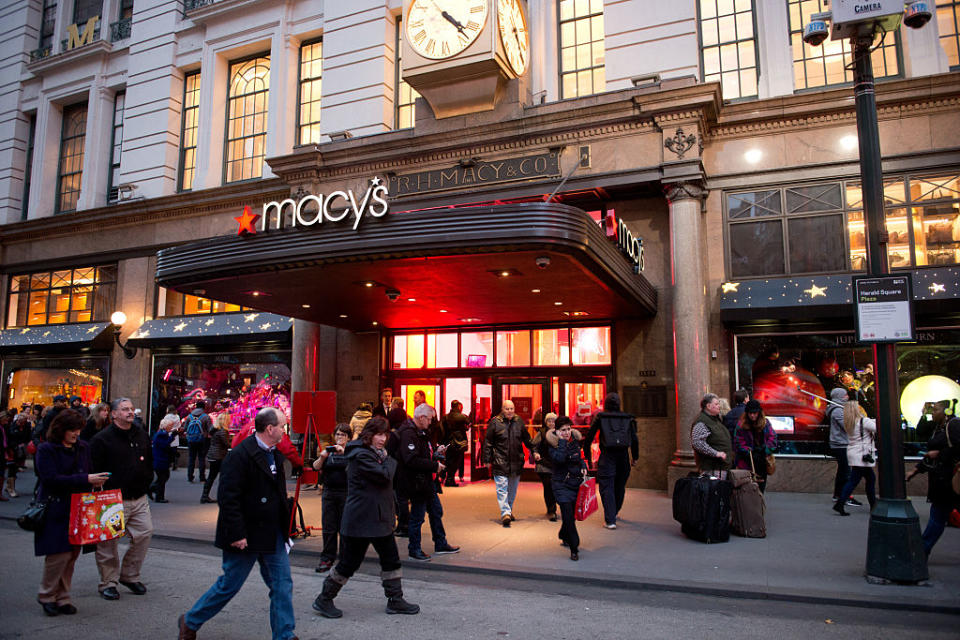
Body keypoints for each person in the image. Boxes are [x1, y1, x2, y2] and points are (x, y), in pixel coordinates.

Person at [178, 408, 297, 640]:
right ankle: (191, 620)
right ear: (270, 428)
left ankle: (284, 634)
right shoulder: (240, 455)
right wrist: (236, 533)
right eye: (283, 426)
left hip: (272, 532)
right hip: (245, 532)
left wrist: (286, 528)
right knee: (229, 585)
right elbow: (228, 498)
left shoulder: (275, 453)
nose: (285, 431)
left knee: (282, 585)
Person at [312, 416, 419, 619]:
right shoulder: (361, 455)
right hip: (361, 520)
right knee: (348, 563)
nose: (382, 439)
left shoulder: (374, 453)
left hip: (378, 519)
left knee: (391, 560)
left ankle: (395, 599)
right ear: (369, 435)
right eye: (379, 434)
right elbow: (384, 475)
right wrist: (388, 460)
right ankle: (324, 598)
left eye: (385, 434)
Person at [34, 409, 111, 616]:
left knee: (72, 555)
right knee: (58, 555)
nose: (76, 434)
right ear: (61, 430)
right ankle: (47, 594)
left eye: (78, 429)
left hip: (79, 507)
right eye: (72, 430)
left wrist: (95, 481)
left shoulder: (83, 447)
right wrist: (86, 479)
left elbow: (87, 471)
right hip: (55, 507)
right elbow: (50, 479)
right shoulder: (47, 449)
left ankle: (63, 596)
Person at [90, 397, 154, 600]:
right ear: (114, 414)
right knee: (109, 543)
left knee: (144, 533)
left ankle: (129, 575)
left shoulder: (141, 434)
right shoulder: (102, 439)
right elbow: (94, 468)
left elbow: (148, 460)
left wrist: (147, 480)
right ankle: (108, 582)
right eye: (125, 409)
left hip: (139, 496)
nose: (130, 412)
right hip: (113, 497)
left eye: (131, 409)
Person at [397, 403, 459, 561]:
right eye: (430, 419)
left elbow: (423, 454)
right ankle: (414, 548)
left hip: (426, 482)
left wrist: (436, 453)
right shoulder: (409, 434)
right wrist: (434, 465)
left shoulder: (421, 432)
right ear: (422, 417)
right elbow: (411, 459)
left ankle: (440, 543)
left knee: (436, 511)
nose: (431, 422)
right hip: (417, 483)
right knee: (418, 516)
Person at [907, 403, 960, 556]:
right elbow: (920, 431)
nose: (933, 413)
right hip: (942, 478)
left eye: (936, 410)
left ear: (946, 411)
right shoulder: (937, 428)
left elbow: (955, 448)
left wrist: (939, 454)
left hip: (951, 478)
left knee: (938, 515)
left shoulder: (954, 425)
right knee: (939, 514)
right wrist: (915, 470)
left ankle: (921, 550)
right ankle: (922, 549)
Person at [582, 392, 639, 529]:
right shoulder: (628, 418)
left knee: (606, 486)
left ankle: (610, 519)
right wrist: (635, 457)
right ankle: (615, 511)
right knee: (619, 486)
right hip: (623, 455)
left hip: (607, 455)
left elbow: (589, 436)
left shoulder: (601, 417)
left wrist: (587, 455)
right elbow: (634, 439)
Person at [482, 400, 534, 527]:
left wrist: (534, 450)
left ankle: (508, 510)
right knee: (502, 489)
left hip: (516, 461)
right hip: (500, 460)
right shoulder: (495, 422)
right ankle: (505, 513)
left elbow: (526, 439)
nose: (510, 411)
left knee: (512, 490)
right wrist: (487, 459)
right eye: (507, 409)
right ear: (502, 409)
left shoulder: (519, 421)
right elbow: (488, 442)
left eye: (512, 409)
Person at [313, 423, 351, 573]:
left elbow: (354, 470)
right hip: (329, 493)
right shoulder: (328, 451)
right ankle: (327, 557)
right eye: (337, 434)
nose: (339, 437)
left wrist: (345, 454)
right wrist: (322, 457)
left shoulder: (351, 452)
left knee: (344, 527)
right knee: (329, 526)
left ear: (348, 437)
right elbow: (316, 467)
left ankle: (344, 558)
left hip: (345, 493)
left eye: (343, 435)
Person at [547, 416, 587, 561]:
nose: (566, 432)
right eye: (563, 430)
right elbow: (560, 459)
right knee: (568, 515)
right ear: (556, 431)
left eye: (569, 429)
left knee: (572, 516)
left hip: (575, 484)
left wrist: (583, 466)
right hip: (561, 485)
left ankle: (564, 534)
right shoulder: (552, 445)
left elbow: (579, 459)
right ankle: (574, 547)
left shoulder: (575, 443)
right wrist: (562, 442)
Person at [832, 400, 876, 516]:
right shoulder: (864, 421)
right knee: (859, 480)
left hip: (854, 453)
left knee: (863, 479)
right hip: (862, 454)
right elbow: (877, 428)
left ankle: (841, 504)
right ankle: (872, 505)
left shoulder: (849, 423)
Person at [733, 399, 778, 492]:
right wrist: (749, 451)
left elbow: (773, 438)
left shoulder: (765, 423)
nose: (752, 415)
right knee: (748, 491)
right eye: (750, 413)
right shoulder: (741, 425)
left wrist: (765, 449)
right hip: (746, 462)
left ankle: (759, 506)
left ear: (759, 413)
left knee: (761, 489)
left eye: (755, 413)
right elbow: (738, 442)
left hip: (762, 462)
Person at [825, 387, 859, 506]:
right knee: (846, 471)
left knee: (843, 471)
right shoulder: (838, 411)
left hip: (841, 443)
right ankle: (845, 496)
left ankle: (838, 494)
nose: (847, 397)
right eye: (844, 395)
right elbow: (848, 427)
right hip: (841, 444)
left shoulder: (840, 409)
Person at [691, 393, 732, 476]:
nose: (719, 406)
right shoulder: (702, 421)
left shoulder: (715, 420)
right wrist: (716, 453)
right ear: (708, 406)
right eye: (716, 404)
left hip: (721, 467)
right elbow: (697, 442)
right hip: (712, 468)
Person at [386, 407, 411, 537]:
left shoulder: (395, 434)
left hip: (397, 470)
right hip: (408, 469)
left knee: (399, 499)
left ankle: (403, 525)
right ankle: (406, 523)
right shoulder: (409, 430)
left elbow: (389, 452)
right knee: (403, 499)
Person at [531, 412, 559, 521]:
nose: (551, 423)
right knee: (548, 486)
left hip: (556, 465)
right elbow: (534, 445)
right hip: (544, 465)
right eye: (549, 421)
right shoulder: (542, 433)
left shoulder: (560, 433)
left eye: (553, 421)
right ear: (546, 422)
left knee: (556, 487)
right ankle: (551, 510)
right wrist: (535, 453)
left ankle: (553, 508)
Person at [201, 412, 231, 504]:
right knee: (224, 477)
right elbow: (226, 444)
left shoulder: (214, 429)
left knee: (211, 476)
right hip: (219, 456)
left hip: (213, 455)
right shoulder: (223, 431)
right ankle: (222, 496)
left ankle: (204, 496)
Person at [149, 414, 178, 503]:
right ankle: (158, 495)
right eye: (170, 426)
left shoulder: (162, 433)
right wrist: (172, 436)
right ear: (166, 426)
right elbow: (164, 445)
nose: (171, 427)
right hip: (160, 460)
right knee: (163, 478)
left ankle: (154, 489)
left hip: (161, 459)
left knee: (163, 477)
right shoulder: (161, 434)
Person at [183, 400, 212, 483]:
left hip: (191, 440)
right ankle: (202, 478)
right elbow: (210, 429)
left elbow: (185, 428)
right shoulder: (205, 416)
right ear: (204, 407)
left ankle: (190, 477)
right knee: (201, 458)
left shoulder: (189, 416)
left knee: (191, 458)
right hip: (202, 440)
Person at [442, 400, 469, 487]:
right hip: (459, 442)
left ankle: (448, 478)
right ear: (458, 406)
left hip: (448, 441)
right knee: (457, 461)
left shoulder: (446, 417)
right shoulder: (462, 417)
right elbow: (469, 423)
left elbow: (442, 428)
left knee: (449, 460)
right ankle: (450, 479)